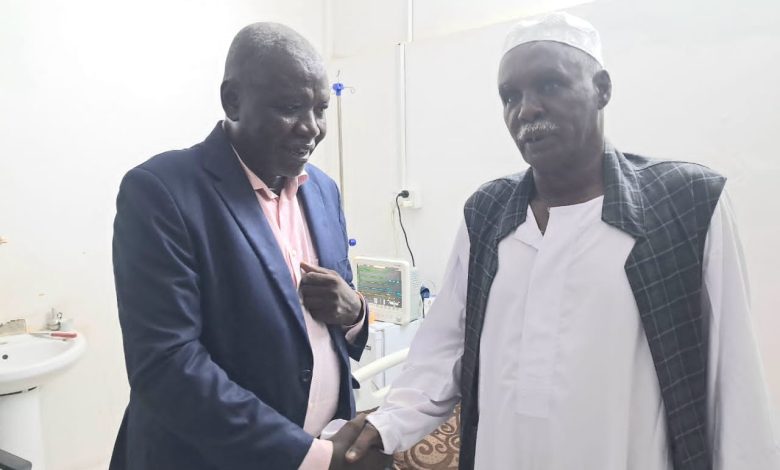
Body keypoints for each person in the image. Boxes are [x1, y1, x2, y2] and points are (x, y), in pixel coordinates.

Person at [340, 12, 780, 470]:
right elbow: (442, 348)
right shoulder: (488, 212)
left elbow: (735, 385)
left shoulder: (686, 202)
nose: (526, 109)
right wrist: (388, 425)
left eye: (549, 85)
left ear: (602, 89)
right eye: (510, 96)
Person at [110, 22, 378, 470]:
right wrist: (312, 457)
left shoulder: (322, 190)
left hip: (321, 443)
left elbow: (334, 313)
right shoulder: (162, 192)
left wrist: (355, 314)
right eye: (290, 108)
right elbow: (167, 364)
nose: (311, 128)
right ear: (232, 100)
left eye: (320, 109)